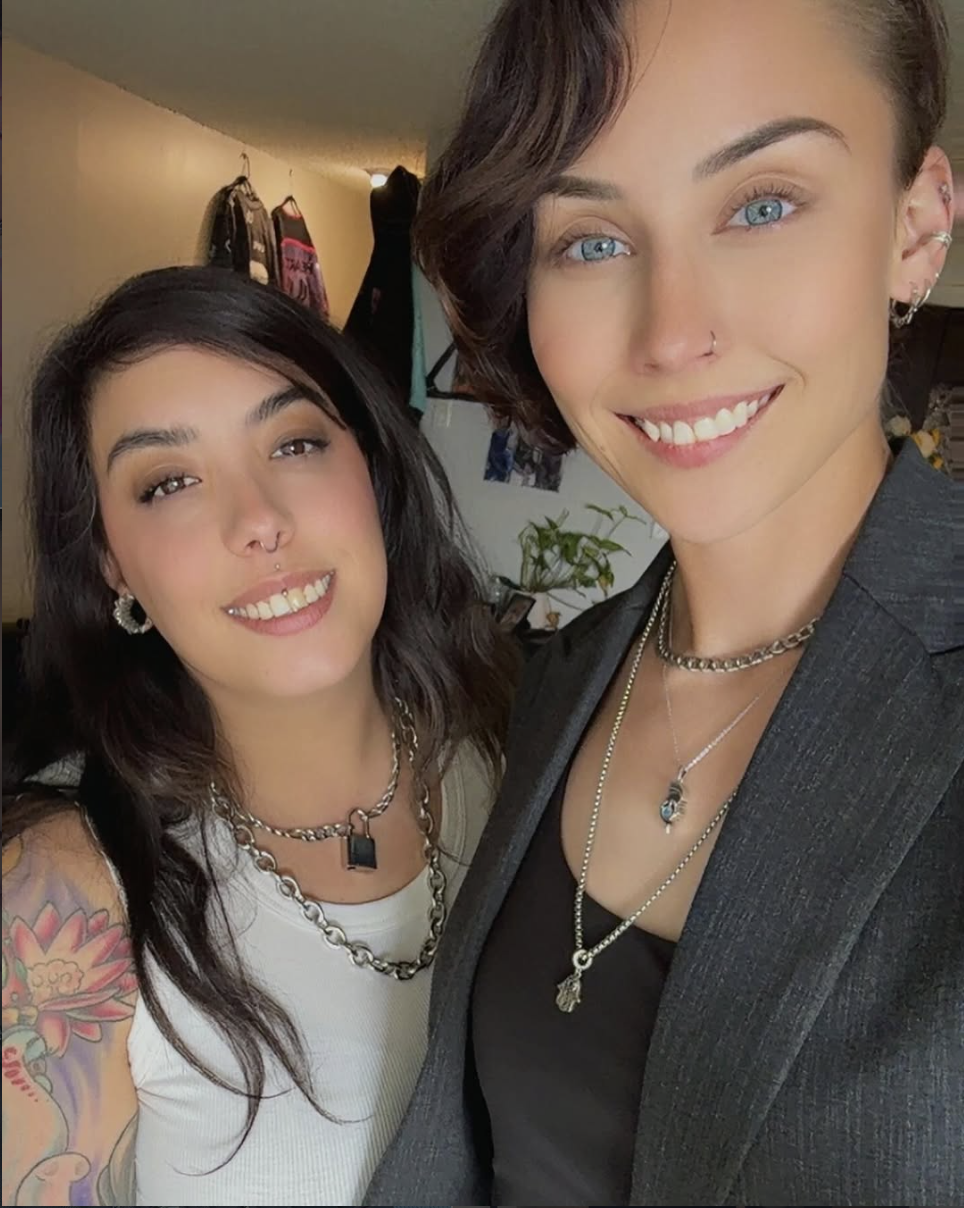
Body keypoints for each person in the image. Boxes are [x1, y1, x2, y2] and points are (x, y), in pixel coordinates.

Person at [365, 1, 963, 1205]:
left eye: (762, 204)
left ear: (916, 229)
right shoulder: (558, 680)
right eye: (589, 239)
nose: (672, 332)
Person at [1, 266, 517, 1206]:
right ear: (112, 562)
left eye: (295, 443)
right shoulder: (63, 893)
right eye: (169, 483)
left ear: (370, 467)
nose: (260, 523)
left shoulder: (525, 752)